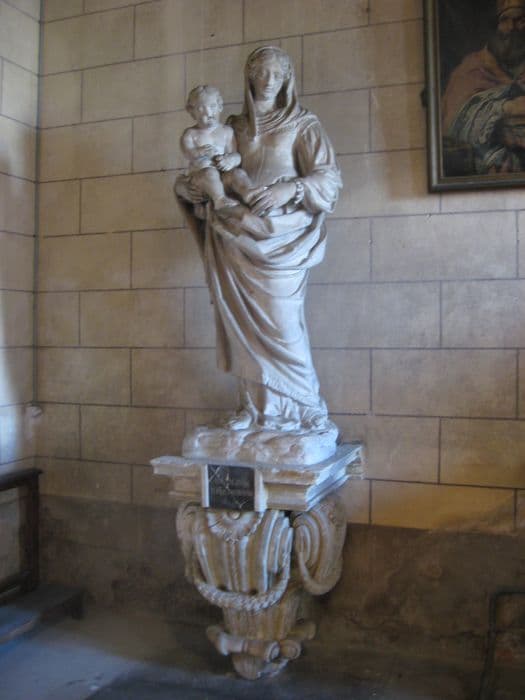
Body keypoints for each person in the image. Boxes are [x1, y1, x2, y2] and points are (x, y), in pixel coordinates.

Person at [175, 46, 342, 440]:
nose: (268, 81)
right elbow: (199, 171)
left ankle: (306, 408)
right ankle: (254, 409)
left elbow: (329, 179)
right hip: (234, 233)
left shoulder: (303, 124)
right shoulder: (230, 128)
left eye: (277, 74)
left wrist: (290, 189)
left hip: (282, 238)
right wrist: (186, 189)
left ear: (287, 79)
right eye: (261, 72)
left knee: (283, 326)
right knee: (243, 330)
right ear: (249, 76)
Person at [442, 0, 525, 174]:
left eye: (520, 20)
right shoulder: (470, 70)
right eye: (504, 20)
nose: (512, 28)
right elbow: (454, 128)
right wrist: (503, 111)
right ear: (494, 27)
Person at [180, 85, 255, 210]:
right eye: (201, 108)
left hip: (223, 176)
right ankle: (219, 199)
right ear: (192, 112)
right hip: (201, 180)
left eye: (212, 106)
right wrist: (199, 152)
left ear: (220, 107)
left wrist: (230, 160)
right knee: (210, 173)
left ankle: (250, 194)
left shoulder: (227, 131)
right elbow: (187, 153)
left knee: (238, 173)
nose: (208, 113)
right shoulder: (190, 134)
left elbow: (235, 155)